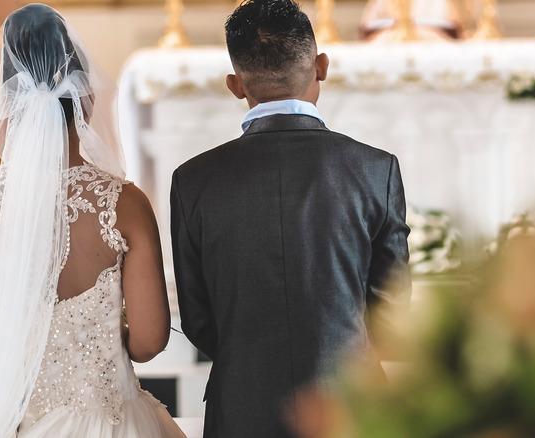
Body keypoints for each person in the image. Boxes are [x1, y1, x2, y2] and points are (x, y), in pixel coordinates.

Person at [0, 4, 186, 437]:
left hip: (10, 418)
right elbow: (151, 341)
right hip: (108, 416)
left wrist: (19, 361)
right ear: (87, 97)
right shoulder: (125, 204)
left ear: (6, 101)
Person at [170, 1, 411, 437]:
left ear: (234, 85)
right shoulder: (376, 169)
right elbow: (392, 312)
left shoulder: (193, 180)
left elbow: (198, 319)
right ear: (321, 66)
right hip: (353, 409)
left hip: (241, 408)